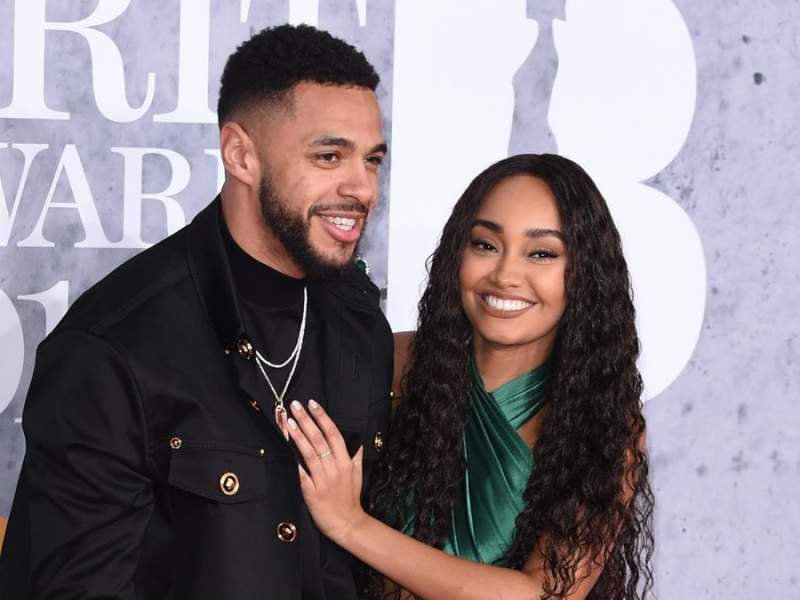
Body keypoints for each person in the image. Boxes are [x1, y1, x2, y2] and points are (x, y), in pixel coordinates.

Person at [0, 24, 393, 599]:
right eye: (329, 155)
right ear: (241, 155)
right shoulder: (112, 349)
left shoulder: (359, 323)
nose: (362, 188)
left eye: (373, 160)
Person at [285, 154, 655, 599]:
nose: (505, 275)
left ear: (585, 275)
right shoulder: (390, 360)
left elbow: (545, 595)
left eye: (541, 253)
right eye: (485, 245)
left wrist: (350, 524)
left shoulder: (603, 422)